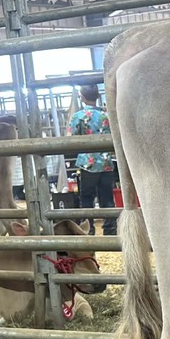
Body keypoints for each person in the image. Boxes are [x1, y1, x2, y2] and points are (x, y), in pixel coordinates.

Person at [68, 84, 116, 235]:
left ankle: (88, 230)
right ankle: (110, 230)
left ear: (82, 97)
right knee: (107, 198)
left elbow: (72, 137)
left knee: (86, 197)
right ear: (97, 96)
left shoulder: (78, 116)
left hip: (87, 162)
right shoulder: (106, 115)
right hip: (106, 162)